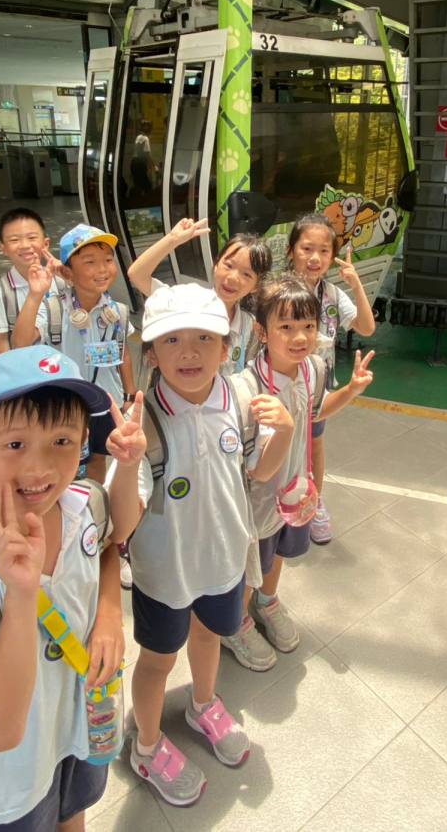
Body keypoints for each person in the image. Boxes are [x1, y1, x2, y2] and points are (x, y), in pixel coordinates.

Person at [0, 345, 143, 832]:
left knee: (73, 813)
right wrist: (19, 594)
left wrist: (108, 614)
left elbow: (112, 538)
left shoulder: (83, 503)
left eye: (62, 440)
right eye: (15, 444)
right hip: (12, 780)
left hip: (79, 728)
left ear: (84, 443)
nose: (40, 468)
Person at [121, 284, 293, 806]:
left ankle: (202, 704)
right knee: (156, 660)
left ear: (226, 346)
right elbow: (123, 522)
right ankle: (147, 745)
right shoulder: (144, 422)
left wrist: (285, 431)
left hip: (222, 560)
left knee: (208, 637)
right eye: (171, 340)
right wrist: (125, 464)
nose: (189, 351)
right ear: (152, 354)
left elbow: (257, 471)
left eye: (204, 337)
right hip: (165, 572)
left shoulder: (240, 401)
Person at [224, 275, 375, 671]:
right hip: (257, 501)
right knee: (251, 564)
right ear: (262, 331)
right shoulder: (245, 389)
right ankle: (235, 624)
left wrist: (350, 391)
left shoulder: (313, 369)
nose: (300, 336)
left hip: (294, 493)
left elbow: (316, 412)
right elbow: (253, 470)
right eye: (286, 326)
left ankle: (266, 602)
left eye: (308, 325)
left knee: (279, 555)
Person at [284, 213, 376, 545]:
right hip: (279, 383)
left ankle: (314, 502)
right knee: (277, 444)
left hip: (316, 388)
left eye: (324, 251)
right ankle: (272, 503)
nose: (315, 258)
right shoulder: (278, 291)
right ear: (292, 250)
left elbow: (366, 327)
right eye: (307, 248)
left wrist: (356, 284)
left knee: (314, 444)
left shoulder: (333, 296)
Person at [126, 217, 271, 375]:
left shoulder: (249, 325)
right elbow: (137, 274)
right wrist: (173, 239)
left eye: (246, 274)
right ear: (216, 266)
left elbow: (249, 372)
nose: (233, 278)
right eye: (228, 265)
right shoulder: (185, 302)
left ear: (256, 286)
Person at [52, 226, 134, 404]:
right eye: (90, 262)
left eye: (108, 260)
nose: (102, 269)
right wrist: (35, 295)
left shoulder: (117, 311)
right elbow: (21, 342)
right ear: (67, 272)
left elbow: (124, 354)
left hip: (111, 403)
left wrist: (129, 397)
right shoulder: (54, 310)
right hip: (69, 406)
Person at [0, 208, 58, 355]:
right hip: (26, 365)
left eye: (32, 237)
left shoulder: (60, 281)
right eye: (14, 240)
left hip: (63, 364)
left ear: (46, 243)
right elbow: (1, 340)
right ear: (3, 248)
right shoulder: (1, 291)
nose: (24, 245)